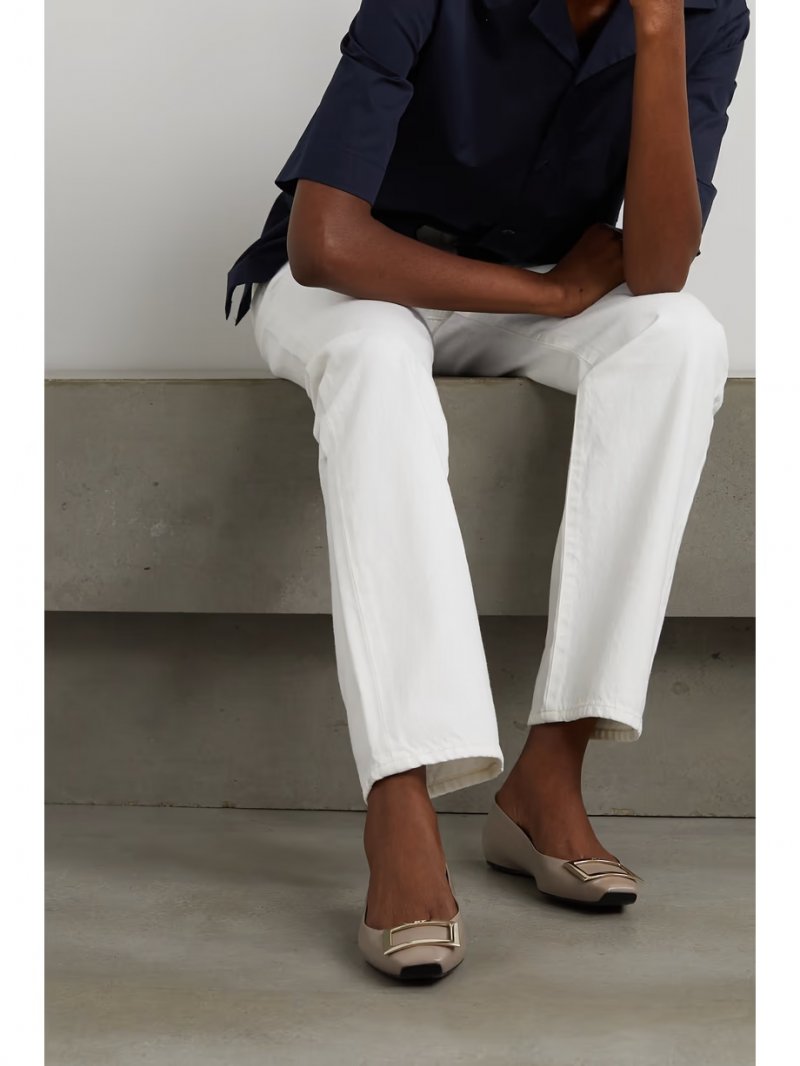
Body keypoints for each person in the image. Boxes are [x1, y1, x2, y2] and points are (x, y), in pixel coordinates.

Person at [225, 0, 750, 981]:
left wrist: (657, 32)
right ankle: (400, 802)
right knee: (376, 361)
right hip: (363, 278)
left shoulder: (705, 13)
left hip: (526, 285)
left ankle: (549, 774)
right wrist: (552, 295)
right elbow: (324, 240)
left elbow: (659, 267)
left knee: (681, 340)